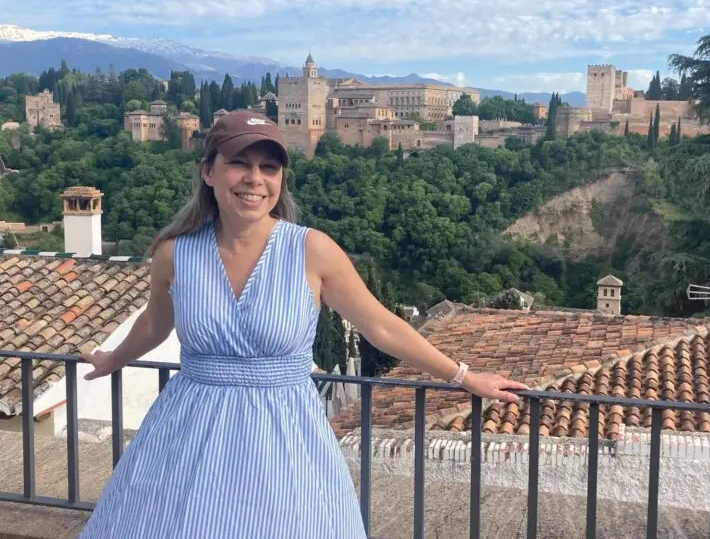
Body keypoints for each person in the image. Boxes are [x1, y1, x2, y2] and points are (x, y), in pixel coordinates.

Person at [78, 110, 527, 538]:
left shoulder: (311, 251)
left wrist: (463, 376)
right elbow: (156, 323)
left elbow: (380, 326)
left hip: (284, 433)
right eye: (239, 164)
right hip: (189, 431)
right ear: (208, 172)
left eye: (269, 168)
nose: (255, 179)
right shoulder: (175, 254)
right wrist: (112, 358)